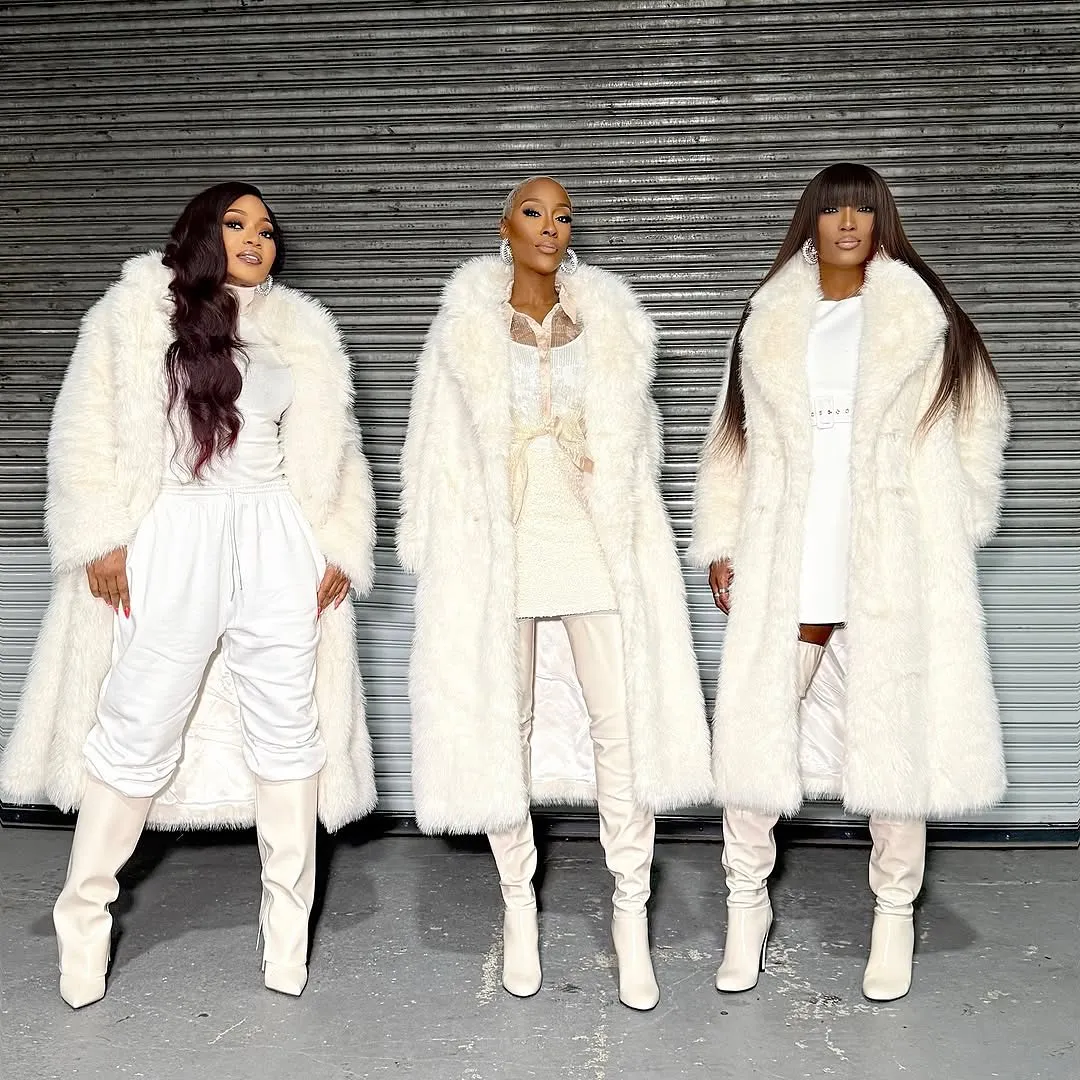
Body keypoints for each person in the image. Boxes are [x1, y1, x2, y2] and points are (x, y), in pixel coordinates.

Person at [0, 182, 378, 1008]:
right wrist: (100, 537)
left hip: (277, 535)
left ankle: (287, 936)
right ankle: (83, 920)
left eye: (266, 229)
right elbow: (83, 429)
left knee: (288, 730)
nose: (256, 239)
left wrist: (339, 543)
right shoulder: (136, 314)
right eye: (237, 224)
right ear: (202, 233)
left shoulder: (300, 330)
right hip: (176, 529)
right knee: (140, 717)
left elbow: (336, 447)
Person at [690, 162, 1008, 1002]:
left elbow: (981, 420)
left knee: (893, 749)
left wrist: (951, 517)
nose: (845, 223)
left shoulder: (921, 318)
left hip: (888, 558)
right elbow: (730, 438)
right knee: (753, 741)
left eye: (861, 210)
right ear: (811, 221)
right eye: (831, 209)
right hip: (789, 553)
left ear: (880, 222)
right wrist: (721, 539)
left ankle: (894, 914)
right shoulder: (768, 318)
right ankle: (745, 906)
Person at [398, 176, 712, 1010]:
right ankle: (518, 906)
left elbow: (639, 446)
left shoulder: (607, 323)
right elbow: (429, 448)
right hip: (497, 545)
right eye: (533, 212)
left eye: (562, 215)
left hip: (592, 538)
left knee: (622, 727)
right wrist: (434, 550)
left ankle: (631, 914)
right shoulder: (462, 328)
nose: (550, 226)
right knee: (509, 727)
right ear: (504, 227)